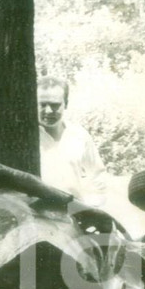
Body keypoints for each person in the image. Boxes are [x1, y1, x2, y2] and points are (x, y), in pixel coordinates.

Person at [36, 75, 108, 207]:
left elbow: (98, 177)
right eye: (42, 104)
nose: (48, 111)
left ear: (66, 104)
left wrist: (91, 206)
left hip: (73, 215)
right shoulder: (26, 138)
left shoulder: (79, 136)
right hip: (35, 215)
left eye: (55, 105)